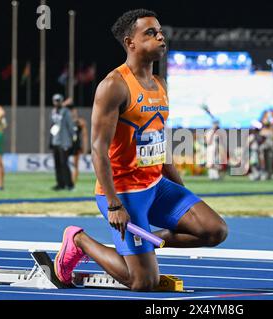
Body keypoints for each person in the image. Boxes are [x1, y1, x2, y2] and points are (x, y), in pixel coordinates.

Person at [54, 9, 228, 291]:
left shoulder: (160, 84)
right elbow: (98, 150)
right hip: (124, 193)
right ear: (130, 42)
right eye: (150, 32)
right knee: (143, 282)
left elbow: (159, 141)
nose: (161, 37)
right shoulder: (114, 86)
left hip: (157, 186)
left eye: (160, 31)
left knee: (214, 230)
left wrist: (181, 189)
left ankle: (142, 242)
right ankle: (79, 240)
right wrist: (113, 204)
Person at [50, 94, 75, 191]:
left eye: (58, 100)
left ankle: (69, 185)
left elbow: (70, 125)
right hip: (55, 141)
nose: (57, 102)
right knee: (57, 164)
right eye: (55, 100)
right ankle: (60, 184)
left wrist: (73, 139)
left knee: (64, 163)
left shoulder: (66, 112)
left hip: (64, 142)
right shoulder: (53, 112)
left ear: (61, 101)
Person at [67, 104, 89, 185]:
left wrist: (85, 147)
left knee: (75, 165)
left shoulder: (80, 122)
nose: (73, 113)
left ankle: (73, 182)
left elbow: (85, 135)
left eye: (74, 111)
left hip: (76, 145)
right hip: (67, 145)